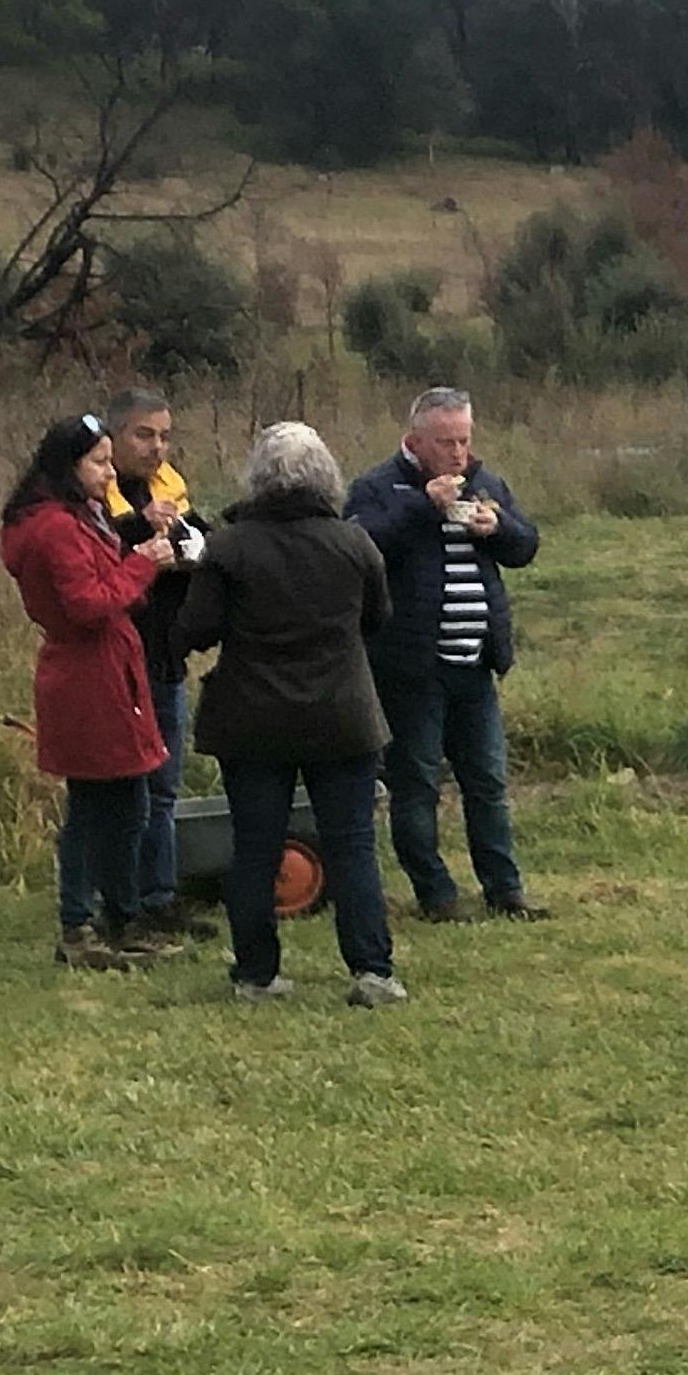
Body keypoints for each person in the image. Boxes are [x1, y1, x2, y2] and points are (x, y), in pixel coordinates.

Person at [183, 421, 404, 1008]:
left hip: (251, 717)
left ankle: (256, 975)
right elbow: (378, 619)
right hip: (342, 714)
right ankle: (372, 971)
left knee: (255, 846)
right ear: (325, 476)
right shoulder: (355, 544)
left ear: (257, 478)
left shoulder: (228, 548)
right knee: (352, 843)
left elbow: (198, 630)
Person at [349, 386, 546, 924]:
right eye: (445, 442)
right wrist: (422, 505)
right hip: (412, 666)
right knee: (416, 783)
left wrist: (497, 527)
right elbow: (359, 547)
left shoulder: (485, 483)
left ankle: (505, 890)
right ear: (414, 440)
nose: (458, 453)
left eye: (464, 440)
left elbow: (527, 545)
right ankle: (435, 894)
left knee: (487, 780)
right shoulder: (378, 486)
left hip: (475, 662)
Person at [0, 413, 180, 972]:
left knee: (127, 800)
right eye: (98, 462)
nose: (108, 473)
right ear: (67, 466)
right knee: (96, 805)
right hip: (89, 675)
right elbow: (87, 604)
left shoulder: (82, 515)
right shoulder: (54, 527)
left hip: (108, 667)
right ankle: (80, 924)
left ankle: (120, 919)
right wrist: (143, 566)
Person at [100, 385, 212, 919]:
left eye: (165, 436)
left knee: (165, 785)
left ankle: (161, 897)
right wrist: (142, 538)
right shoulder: (95, 495)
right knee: (123, 787)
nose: (157, 448)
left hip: (166, 654)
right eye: (144, 435)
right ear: (114, 435)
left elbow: (198, 540)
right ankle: (115, 900)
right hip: (117, 660)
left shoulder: (168, 489)